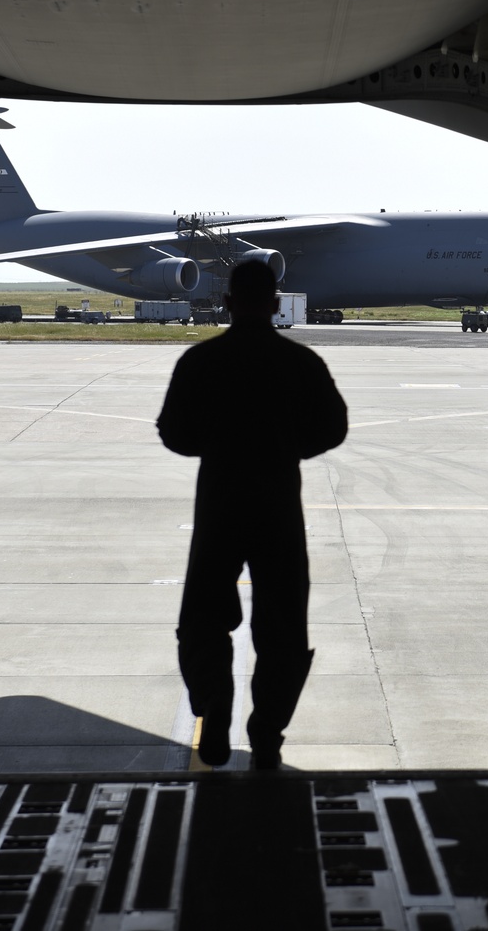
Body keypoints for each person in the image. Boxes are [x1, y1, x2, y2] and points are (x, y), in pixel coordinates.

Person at [156, 261, 348, 770]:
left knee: (203, 618)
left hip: (220, 501)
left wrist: (217, 447)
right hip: (278, 503)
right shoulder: (300, 363)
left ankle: (215, 706)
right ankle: (267, 731)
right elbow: (334, 428)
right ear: (275, 301)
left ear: (228, 302)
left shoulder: (201, 361)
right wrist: (286, 449)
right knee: (284, 625)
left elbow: (173, 433)